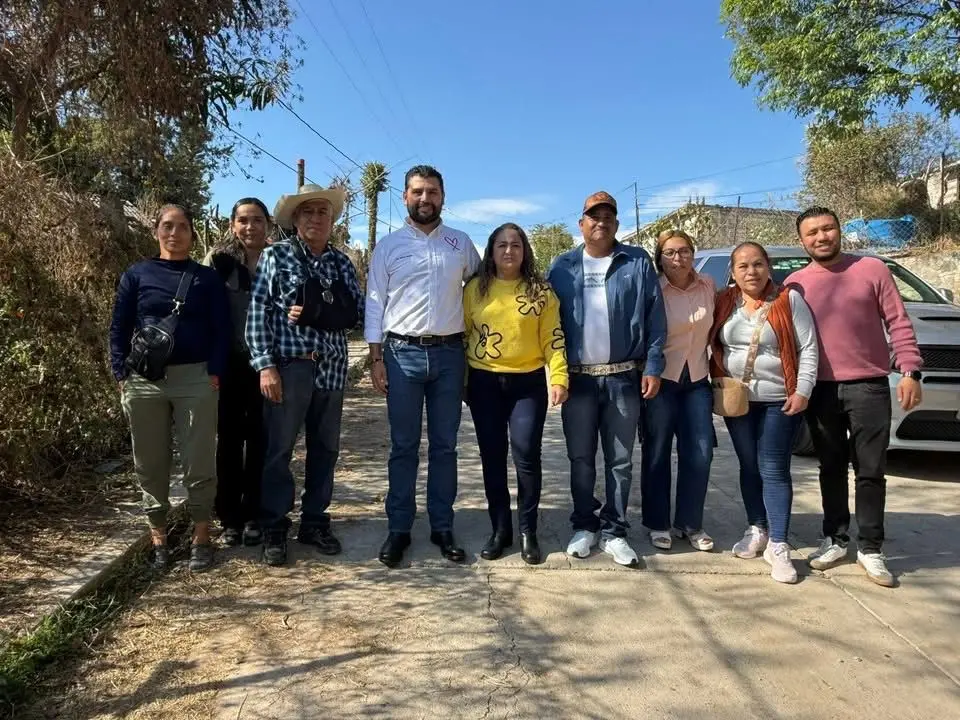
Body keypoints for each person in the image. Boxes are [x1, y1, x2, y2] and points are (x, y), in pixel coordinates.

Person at [786, 206, 923, 588]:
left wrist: (910, 371)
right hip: (821, 390)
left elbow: (898, 322)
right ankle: (834, 538)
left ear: (839, 231)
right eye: (812, 232)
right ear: (802, 241)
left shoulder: (872, 270)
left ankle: (871, 547)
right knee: (830, 467)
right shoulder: (794, 284)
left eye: (827, 229)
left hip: (869, 386)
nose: (821, 237)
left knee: (870, 470)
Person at [365, 165, 482, 567]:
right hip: (401, 356)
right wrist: (375, 357)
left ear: (443, 197)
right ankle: (398, 529)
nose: (425, 199)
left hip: (450, 356)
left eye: (432, 192)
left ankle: (442, 526)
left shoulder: (461, 244)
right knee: (403, 446)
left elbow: (482, 291)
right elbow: (375, 302)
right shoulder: (389, 246)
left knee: (446, 446)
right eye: (417, 192)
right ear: (405, 197)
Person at [245, 184, 364, 566]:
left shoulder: (342, 263)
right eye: (308, 212)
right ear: (295, 219)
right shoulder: (276, 256)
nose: (316, 218)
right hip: (289, 365)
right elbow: (258, 313)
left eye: (323, 212)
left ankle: (314, 521)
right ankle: (275, 524)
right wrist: (265, 365)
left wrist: (316, 310)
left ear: (332, 220)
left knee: (325, 449)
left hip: (331, 365)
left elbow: (356, 314)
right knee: (279, 448)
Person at [547, 191, 666, 567]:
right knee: (580, 458)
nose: (601, 222)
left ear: (617, 224)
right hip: (578, 381)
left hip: (622, 380)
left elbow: (654, 318)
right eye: (593, 217)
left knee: (620, 460)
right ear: (581, 223)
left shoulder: (636, 261)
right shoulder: (561, 267)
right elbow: (549, 325)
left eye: (608, 217)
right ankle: (584, 525)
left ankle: (614, 530)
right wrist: (554, 373)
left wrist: (652, 365)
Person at [109, 203, 230, 572]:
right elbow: (119, 326)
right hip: (145, 381)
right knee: (149, 462)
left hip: (196, 378)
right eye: (166, 226)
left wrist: (215, 373)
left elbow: (222, 330)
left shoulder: (206, 279)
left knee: (199, 461)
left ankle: (201, 537)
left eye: (181, 227)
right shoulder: (137, 274)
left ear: (193, 234)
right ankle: (158, 538)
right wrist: (120, 372)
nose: (173, 233)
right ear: (156, 231)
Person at [709, 241, 819, 584]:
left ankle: (780, 543)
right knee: (748, 465)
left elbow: (809, 347)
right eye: (742, 266)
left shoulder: (789, 300)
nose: (751, 272)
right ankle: (756, 527)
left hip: (779, 399)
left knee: (773, 467)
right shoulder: (725, 301)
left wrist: (803, 391)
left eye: (757, 264)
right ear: (733, 272)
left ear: (768, 267)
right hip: (738, 400)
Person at [464, 223, 569, 566]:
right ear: (491, 251)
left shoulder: (541, 292)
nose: (509, 251)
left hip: (528, 384)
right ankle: (500, 530)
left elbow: (553, 337)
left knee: (526, 455)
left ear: (525, 251)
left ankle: (528, 530)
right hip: (484, 383)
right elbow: (462, 337)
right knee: (492, 458)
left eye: (516, 245)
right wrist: (462, 384)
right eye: (502, 245)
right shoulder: (475, 290)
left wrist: (559, 377)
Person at [640, 229, 716, 552]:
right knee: (657, 453)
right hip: (661, 382)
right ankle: (658, 523)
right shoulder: (654, 290)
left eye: (683, 251)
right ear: (660, 258)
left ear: (693, 254)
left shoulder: (709, 286)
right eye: (669, 252)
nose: (677, 258)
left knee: (700, 453)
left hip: (697, 380)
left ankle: (690, 522)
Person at [205, 198, 271, 548]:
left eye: (257, 220)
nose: (250, 227)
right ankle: (229, 518)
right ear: (233, 225)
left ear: (268, 224)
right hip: (229, 369)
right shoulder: (219, 264)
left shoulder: (279, 263)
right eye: (243, 220)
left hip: (269, 369)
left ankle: (255, 515)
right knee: (229, 443)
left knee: (262, 442)